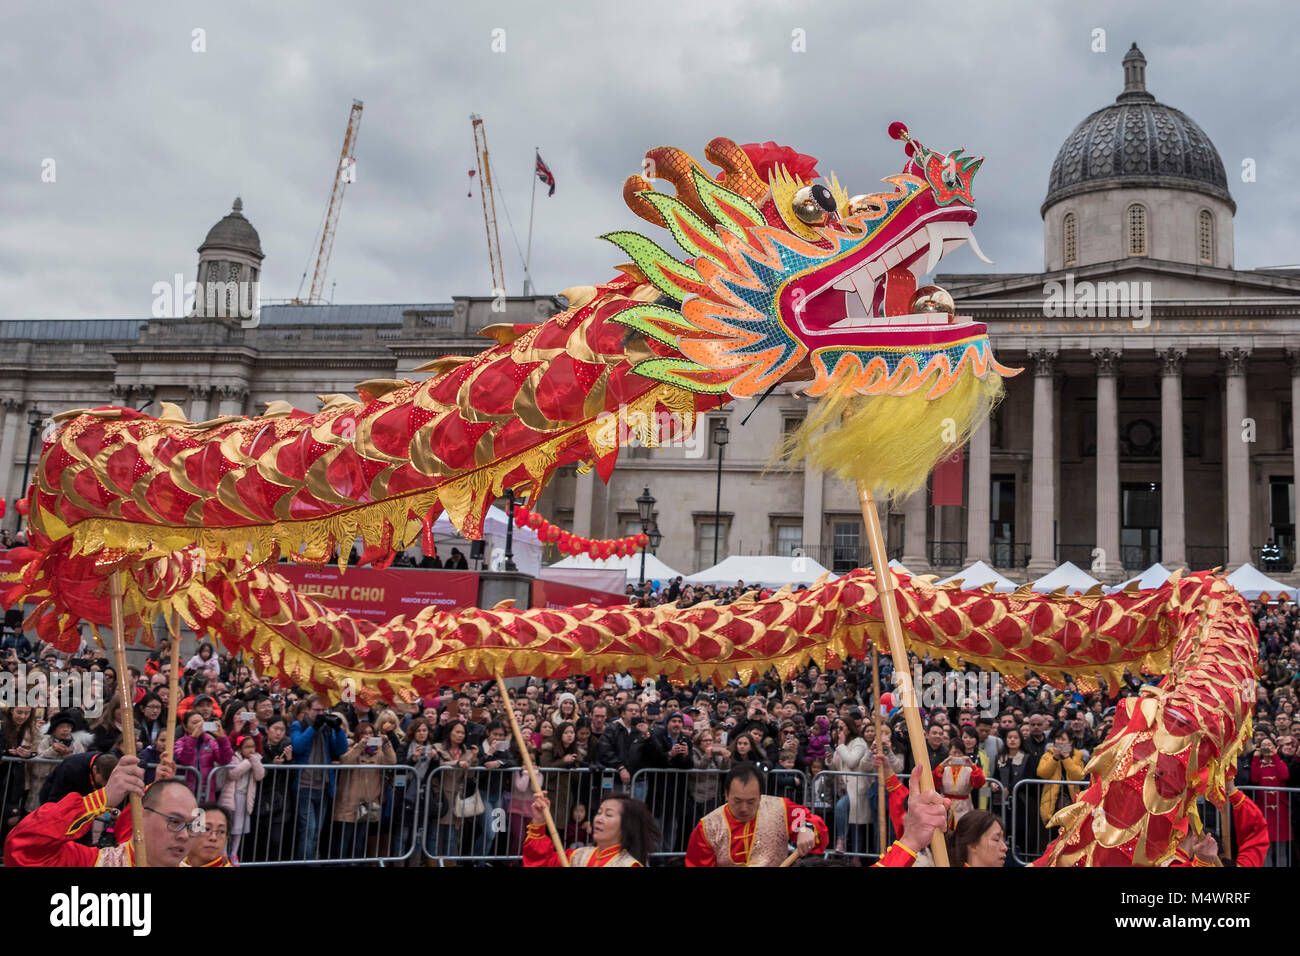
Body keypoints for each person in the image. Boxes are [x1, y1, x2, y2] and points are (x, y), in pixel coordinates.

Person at [4, 755, 198, 867]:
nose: (184, 835)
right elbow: (24, 849)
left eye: (191, 826)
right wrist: (101, 799)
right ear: (141, 818)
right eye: (174, 821)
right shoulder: (96, 863)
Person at [684, 762, 827, 866]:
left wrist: (806, 828)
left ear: (760, 795)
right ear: (726, 795)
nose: (744, 808)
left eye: (751, 801)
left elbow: (810, 821)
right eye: (738, 801)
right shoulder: (707, 828)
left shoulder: (780, 808)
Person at [522, 790, 660, 867]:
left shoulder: (628, 865)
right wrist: (539, 821)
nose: (599, 819)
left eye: (608, 815)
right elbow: (541, 863)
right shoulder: (577, 856)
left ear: (626, 825)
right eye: (599, 812)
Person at [289, 696, 349, 861]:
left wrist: (338, 729)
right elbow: (298, 746)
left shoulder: (327, 729)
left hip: (323, 786)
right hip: (304, 786)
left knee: (316, 832)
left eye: (323, 710)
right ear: (308, 710)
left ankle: (310, 860)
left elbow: (341, 749)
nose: (321, 714)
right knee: (308, 829)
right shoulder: (298, 725)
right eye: (317, 710)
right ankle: (304, 863)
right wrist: (314, 727)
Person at [334, 721, 396, 859]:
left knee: (359, 842)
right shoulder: (351, 746)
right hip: (348, 803)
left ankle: (355, 863)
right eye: (364, 733)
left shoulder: (378, 752)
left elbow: (392, 761)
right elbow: (346, 761)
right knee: (344, 841)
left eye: (370, 733)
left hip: (368, 803)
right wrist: (360, 745)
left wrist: (386, 743)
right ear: (358, 735)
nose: (368, 736)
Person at [217, 734, 264, 862]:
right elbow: (232, 774)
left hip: (245, 798)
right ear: (240, 748)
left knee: (239, 828)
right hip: (231, 797)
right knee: (227, 826)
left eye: (253, 746)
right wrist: (248, 763)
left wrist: (254, 761)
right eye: (247, 747)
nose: (251, 750)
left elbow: (260, 775)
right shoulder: (234, 758)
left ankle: (234, 853)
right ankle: (224, 853)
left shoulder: (256, 759)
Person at [829, 716, 872, 854]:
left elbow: (852, 761)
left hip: (857, 789)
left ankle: (852, 852)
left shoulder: (859, 742)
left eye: (841, 727)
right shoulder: (842, 745)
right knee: (852, 821)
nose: (838, 730)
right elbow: (837, 766)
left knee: (856, 824)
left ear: (849, 728)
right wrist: (829, 759)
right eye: (837, 728)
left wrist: (840, 745)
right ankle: (846, 847)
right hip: (845, 789)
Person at [175, 709, 234, 803]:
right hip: (186, 792)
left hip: (206, 793)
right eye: (195, 723)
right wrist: (193, 738)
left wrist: (222, 738)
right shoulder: (180, 743)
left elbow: (225, 760)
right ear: (185, 727)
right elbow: (185, 760)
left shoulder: (211, 742)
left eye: (201, 722)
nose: (199, 725)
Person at [1037, 727, 1086, 830]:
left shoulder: (1077, 756)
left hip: (1071, 801)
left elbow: (1079, 776)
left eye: (1063, 739)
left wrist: (1066, 758)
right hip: (1052, 802)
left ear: (1070, 742)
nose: (1059, 742)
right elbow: (1042, 773)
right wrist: (1054, 759)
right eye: (1057, 739)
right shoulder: (1048, 755)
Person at [934, 735, 987, 830]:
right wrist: (942, 765)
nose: (957, 756)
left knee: (963, 832)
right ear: (949, 752)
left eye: (960, 753)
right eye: (954, 752)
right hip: (945, 804)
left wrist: (973, 765)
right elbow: (934, 782)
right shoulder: (943, 768)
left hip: (964, 806)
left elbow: (980, 783)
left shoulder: (969, 769)